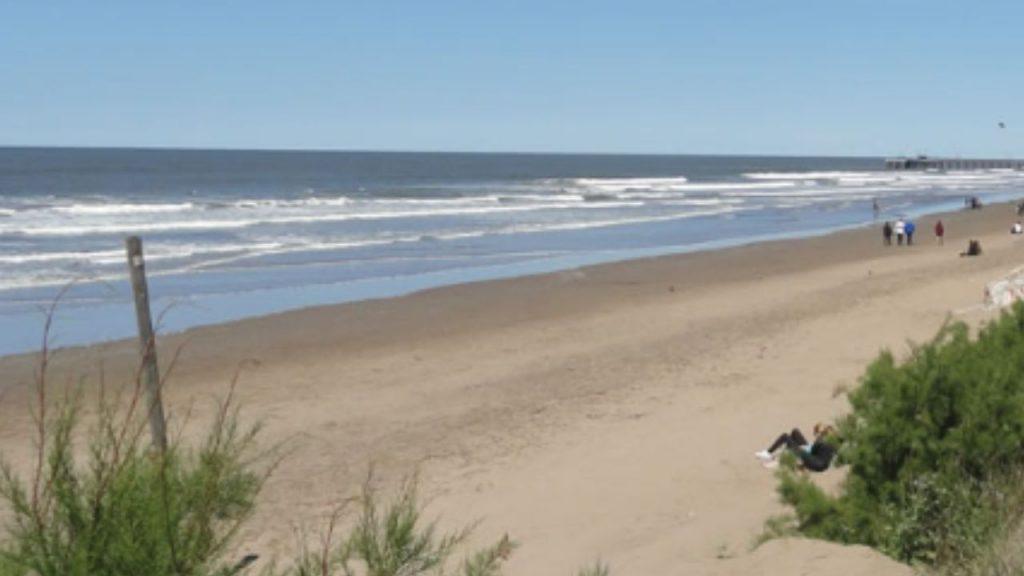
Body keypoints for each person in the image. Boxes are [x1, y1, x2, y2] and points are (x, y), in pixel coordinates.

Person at [755, 423, 837, 472]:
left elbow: (813, 452)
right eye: (816, 432)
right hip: (812, 455)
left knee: (785, 437)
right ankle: (777, 457)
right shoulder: (822, 440)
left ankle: (773, 457)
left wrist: (799, 449)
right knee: (795, 431)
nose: (816, 434)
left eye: (818, 432)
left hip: (816, 463)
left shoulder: (823, 442)